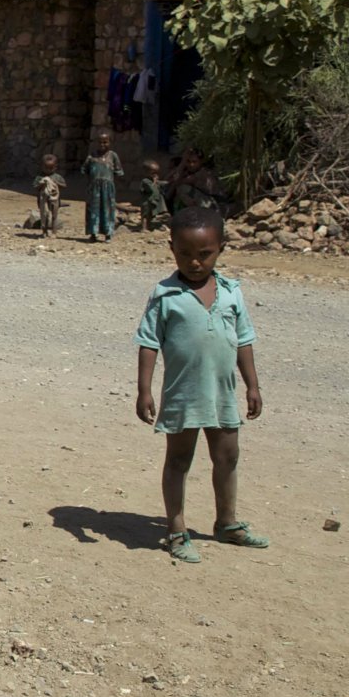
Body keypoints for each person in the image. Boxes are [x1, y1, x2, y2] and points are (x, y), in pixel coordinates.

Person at [135, 208, 269, 564]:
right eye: (185, 253)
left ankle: (227, 523)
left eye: (204, 254)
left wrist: (252, 386)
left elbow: (243, 341)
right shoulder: (165, 295)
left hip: (223, 392)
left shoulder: (231, 292)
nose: (194, 262)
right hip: (183, 393)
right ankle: (177, 530)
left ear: (221, 248)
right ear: (172, 248)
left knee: (227, 456)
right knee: (179, 459)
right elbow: (148, 343)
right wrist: (144, 390)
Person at [84, 135, 124, 243]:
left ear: (110, 143)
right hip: (94, 188)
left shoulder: (113, 156)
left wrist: (114, 186)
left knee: (108, 210)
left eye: (105, 142)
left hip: (108, 188)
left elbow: (118, 172)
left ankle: (108, 234)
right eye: (100, 142)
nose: (102, 145)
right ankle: (93, 233)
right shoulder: (91, 156)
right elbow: (85, 170)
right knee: (93, 210)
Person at [136, 159, 171, 232]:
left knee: (151, 215)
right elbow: (151, 189)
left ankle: (149, 225)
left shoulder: (152, 180)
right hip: (146, 201)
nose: (155, 175)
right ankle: (143, 228)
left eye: (156, 173)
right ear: (146, 172)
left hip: (152, 201)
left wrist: (169, 182)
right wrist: (155, 182)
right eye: (153, 173)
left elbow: (161, 183)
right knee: (145, 215)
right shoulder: (145, 181)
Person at [34, 154, 64, 238]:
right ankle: (44, 231)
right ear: (42, 167)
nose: (48, 170)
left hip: (54, 198)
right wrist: (41, 184)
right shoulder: (40, 177)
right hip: (43, 199)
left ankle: (54, 232)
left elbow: (64, 185)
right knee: (44, 215)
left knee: (54, 215)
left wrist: (56, 183)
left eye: (51, 168)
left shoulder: (57, 177)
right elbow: (35, 186)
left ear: (55, 167)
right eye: (46, 168)